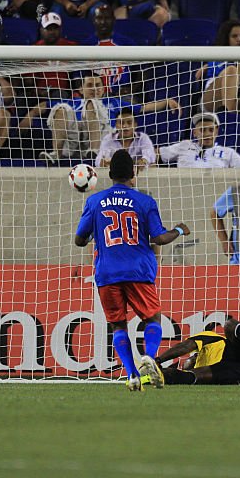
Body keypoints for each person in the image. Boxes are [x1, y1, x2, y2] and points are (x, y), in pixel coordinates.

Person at [73, 149, 191, 391]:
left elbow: (79, 240)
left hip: (107, 273)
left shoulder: (94, 201)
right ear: (133, 174)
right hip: (138, 271)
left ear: (109, 174)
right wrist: (179, 230)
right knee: (152, 318)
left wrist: (90, 237)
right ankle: (149, 355)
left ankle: (132, 374)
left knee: (118, 325)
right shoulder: (144, 201)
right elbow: (158, 238)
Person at [41, 71, 179, 162]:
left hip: (103, 141)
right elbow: (44, 106)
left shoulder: (112, 102)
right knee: (60, 108)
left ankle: (94, 151)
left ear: (103, 89)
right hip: (74, 142)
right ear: (81, 90)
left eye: (98, 85)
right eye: (90, 85)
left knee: (92, 104)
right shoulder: (72, 103)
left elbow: (143, 108)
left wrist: (166, 102)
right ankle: (56, 154)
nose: (95, 89)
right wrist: (30, 114)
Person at [141, 316, 240, 385]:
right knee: (191, 377)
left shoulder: (209, 339)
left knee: (229, 324)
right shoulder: (201, 371)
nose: (186, 363)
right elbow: (180, 374)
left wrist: (157, 360)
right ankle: (147, 379)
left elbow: (185, 346)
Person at [198, 19, 240, 117]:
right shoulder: (218, 55)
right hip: (214, 97)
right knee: (231, 70)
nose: (239, 39)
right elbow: (236, 78)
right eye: (234, 36)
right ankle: (229, 121)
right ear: (227, 38)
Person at [158, 111, 240, 168]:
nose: (207, 134)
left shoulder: (228, 152)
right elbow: (157, 153)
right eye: (202, 130)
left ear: (217, 132)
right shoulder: (184, 145)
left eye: (211, 130)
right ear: (194, 132)